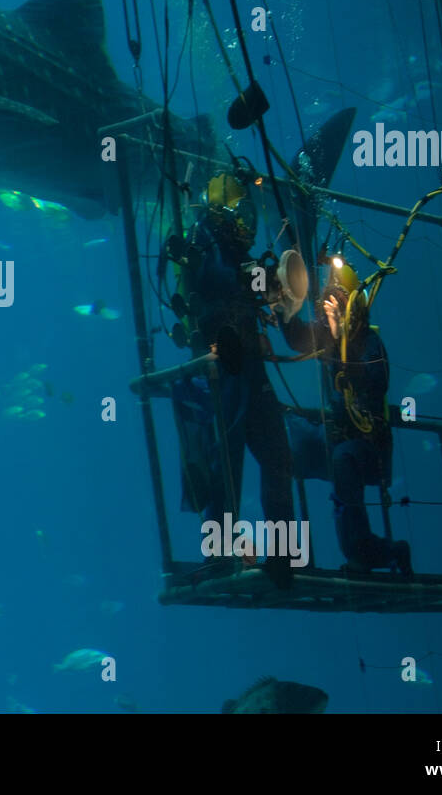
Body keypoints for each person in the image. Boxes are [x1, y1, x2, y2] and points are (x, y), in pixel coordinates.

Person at [167, 171, 295, 580]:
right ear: (226, 208)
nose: (247, 221)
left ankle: (281, 555)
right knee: (227, 460)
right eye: (242, 209)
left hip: (246, 366)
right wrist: (267, 280)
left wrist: (267, 284)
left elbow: (249, 283)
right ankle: (222, 556)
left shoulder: (229, 245)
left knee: (274, 457)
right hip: (226, 367)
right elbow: (228, 280)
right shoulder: (207, 241)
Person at [275, 259, 413, 576]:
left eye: (334, 300)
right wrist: (284, 307)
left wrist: (338, 342)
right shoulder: (327, 337)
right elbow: (298, 339)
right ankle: (285, 552)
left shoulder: (370, 342)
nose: (328, 308)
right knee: (286, 444)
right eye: (326, 301)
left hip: (368, 445)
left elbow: (374, 381)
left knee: (343, 459)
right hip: (338, 435)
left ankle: (371, 552)